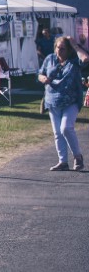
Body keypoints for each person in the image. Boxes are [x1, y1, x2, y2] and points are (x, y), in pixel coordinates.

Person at [38, 36, 84, 171]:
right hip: (52, 100)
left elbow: (85, 59)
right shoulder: (50, 59)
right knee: (57, 132)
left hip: (71, 101)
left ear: (69, 50)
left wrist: (75, 45)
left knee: (66, 128)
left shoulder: (74, 61)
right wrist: (43, 78)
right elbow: (40, 73)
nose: (59, 51)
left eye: (63, 49)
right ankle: (63, 161)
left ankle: (78, 157)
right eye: (58, 48)